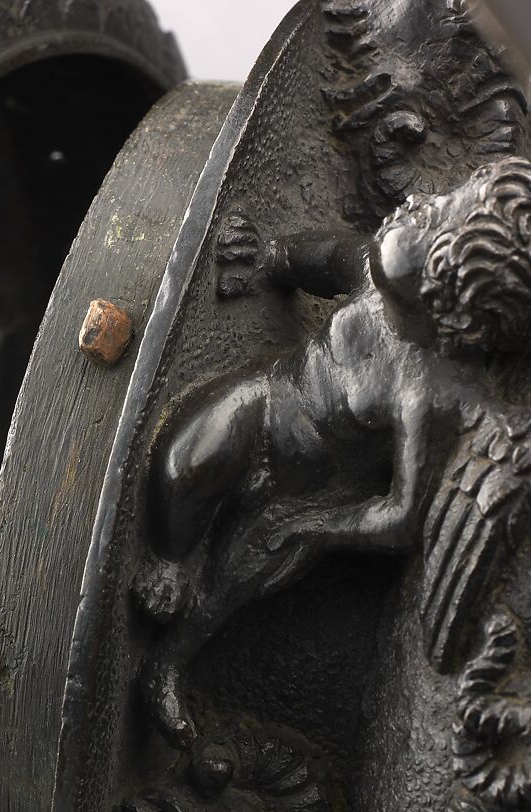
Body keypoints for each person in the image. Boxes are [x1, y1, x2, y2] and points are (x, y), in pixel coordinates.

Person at [137, 157, 531, 748]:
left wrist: (318, 529)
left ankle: (167, 666)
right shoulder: (372, 271)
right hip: (266, 404)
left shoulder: (427, 393)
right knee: (190, 460)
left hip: (305, 489)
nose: (415, 202)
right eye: (435, 203)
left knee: (240, 572)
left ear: (448, 295)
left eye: (431, 220)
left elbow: (401, 517)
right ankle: (169, 558)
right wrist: (264, 256)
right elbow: (308, 258)